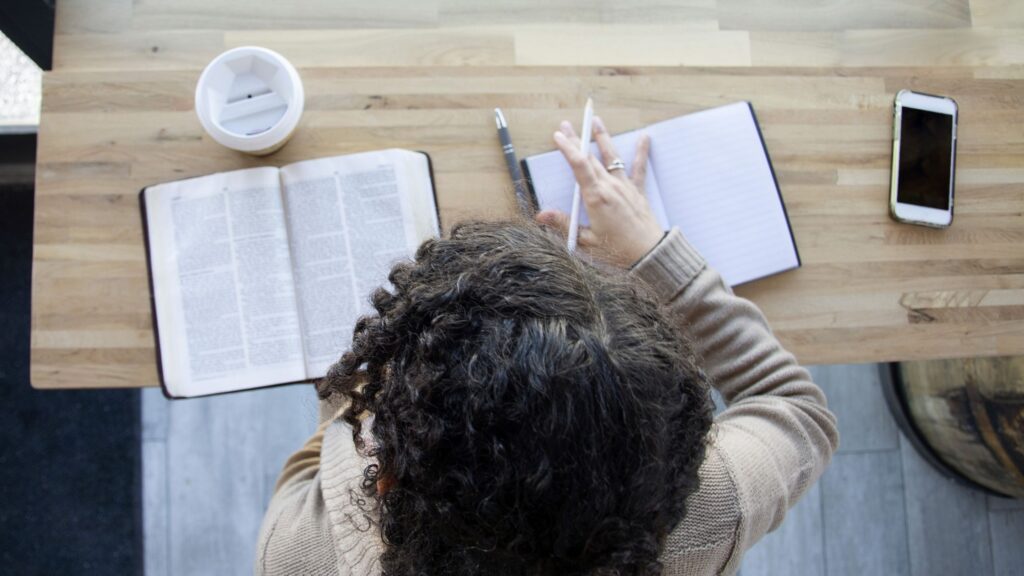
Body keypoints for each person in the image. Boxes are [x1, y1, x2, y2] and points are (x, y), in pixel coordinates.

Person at [256, 116, 839, 576]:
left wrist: (360, 387)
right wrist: (654, 257)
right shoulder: (710, 514)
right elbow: (798, 409)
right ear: (678, 461)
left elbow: (310, 468)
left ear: (384, 478)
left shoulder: (296, 558)